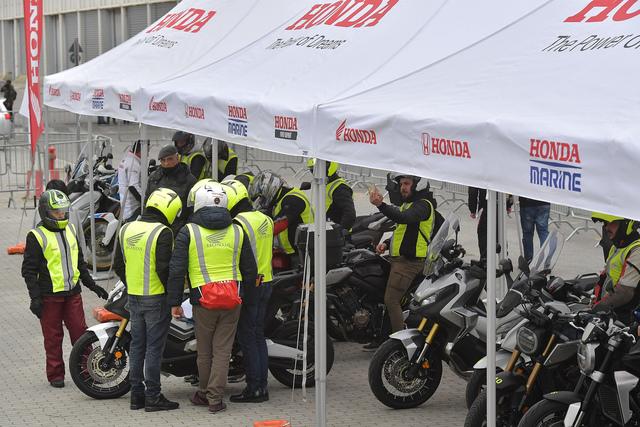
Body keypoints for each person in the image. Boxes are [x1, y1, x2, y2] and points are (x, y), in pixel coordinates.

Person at [167, 183, 257, 414]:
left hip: (203, 299)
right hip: (232, 298)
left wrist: (174, 302)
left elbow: (177, 270)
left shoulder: (188, 231)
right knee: (223, 351)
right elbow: (250, 269)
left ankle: (206, 393)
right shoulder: (238, 230)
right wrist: (246, 295)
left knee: (204, 351)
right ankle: (214, 398)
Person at [21, 189, 108, 387]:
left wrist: (92, 285)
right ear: (45, 212)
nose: (61, 215)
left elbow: (79, 262)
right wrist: (35, 298)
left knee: (81, 334)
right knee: (53, 337)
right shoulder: (36, 236)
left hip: (73, 293)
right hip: (49, 296)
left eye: (63, 211)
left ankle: (88, 372)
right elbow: (28, 271)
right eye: (56, 212)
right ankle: (55, 375)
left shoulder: (70, 230)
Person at [113, 188, 182, 411]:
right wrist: (173, 299)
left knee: (137, 346)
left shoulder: (127, 228)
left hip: (133, 297)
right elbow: (164, 270)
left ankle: (136, 395)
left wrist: (132, 284)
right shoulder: (163, 232)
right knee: (154, 348)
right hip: (155, 298)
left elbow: (118, 264)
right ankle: (153, 396)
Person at [368, 174, 436, 349]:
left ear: (418, 185)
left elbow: (404, 218)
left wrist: (381, 205)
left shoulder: (423, 206)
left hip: (409, 263)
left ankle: (398, 346)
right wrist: (386, 243)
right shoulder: (408, 205)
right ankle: (381, 337)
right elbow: (404, 231)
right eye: (401, 184)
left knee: (391, 300)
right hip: (398, 259)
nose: (402, 187)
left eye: (406, 183)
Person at [222, 179, 274, 403]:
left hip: (250, 284)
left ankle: (254, 388)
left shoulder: (237, 224)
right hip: (267, 281)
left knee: (247, 337)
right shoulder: (265, 218)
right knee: (258, 335)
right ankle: (262, 386)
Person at [249, 171, 313, 267]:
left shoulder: (293, 199)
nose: (261, 201)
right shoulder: (278, 200)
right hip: (289, 252)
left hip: (303, 253)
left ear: (269, 190)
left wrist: (251, 236)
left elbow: (278, 225)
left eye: (261, 197)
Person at [590, 213, 640, 324]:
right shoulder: (617, 247)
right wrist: (595, 299)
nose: (606, 227)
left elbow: (624, 292)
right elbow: (605, 276)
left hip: (623, 318)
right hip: (608, 311)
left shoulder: (637, 250)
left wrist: (596, 310)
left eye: (612, 222)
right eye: (605, 223)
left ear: (627, 225)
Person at [146, 144, 197, 232]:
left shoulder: (189, 180)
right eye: (163, 160)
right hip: (154, 227)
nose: (166, 163)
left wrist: (185, 232)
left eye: (170, 159)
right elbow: (146, 203)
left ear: (177, 157)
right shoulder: (154, 177)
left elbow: (192, 210)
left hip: (179, 230)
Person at [307, 159, 356, 231]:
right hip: (324, 230)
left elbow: (350, 214)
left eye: (317, 169)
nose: (315, 172)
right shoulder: (325, 183)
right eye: (312, 169)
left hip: (334, 232)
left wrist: (340, 233)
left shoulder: (340, 188)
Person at [468, 187, 512, 259]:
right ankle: (504, 257)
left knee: (483, 233)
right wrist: (509, 204)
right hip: (500, 205)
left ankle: (485, 259)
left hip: (486, 206)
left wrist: (473, 209)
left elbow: (473, 189)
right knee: (500, 231)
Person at [519, 196, 551, 262]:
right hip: (544, 201)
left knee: (528, 234)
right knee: (543, 232)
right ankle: (545, 260)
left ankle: (528, 260)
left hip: (527, 202)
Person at [117, 140, 143, 222]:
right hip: (133, 208)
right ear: (142, 150)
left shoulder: (126, 159)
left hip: (126, 205)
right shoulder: (133, 163)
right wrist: (144, 201)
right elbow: (133, 186)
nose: (148, 154)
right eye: (147, 151)